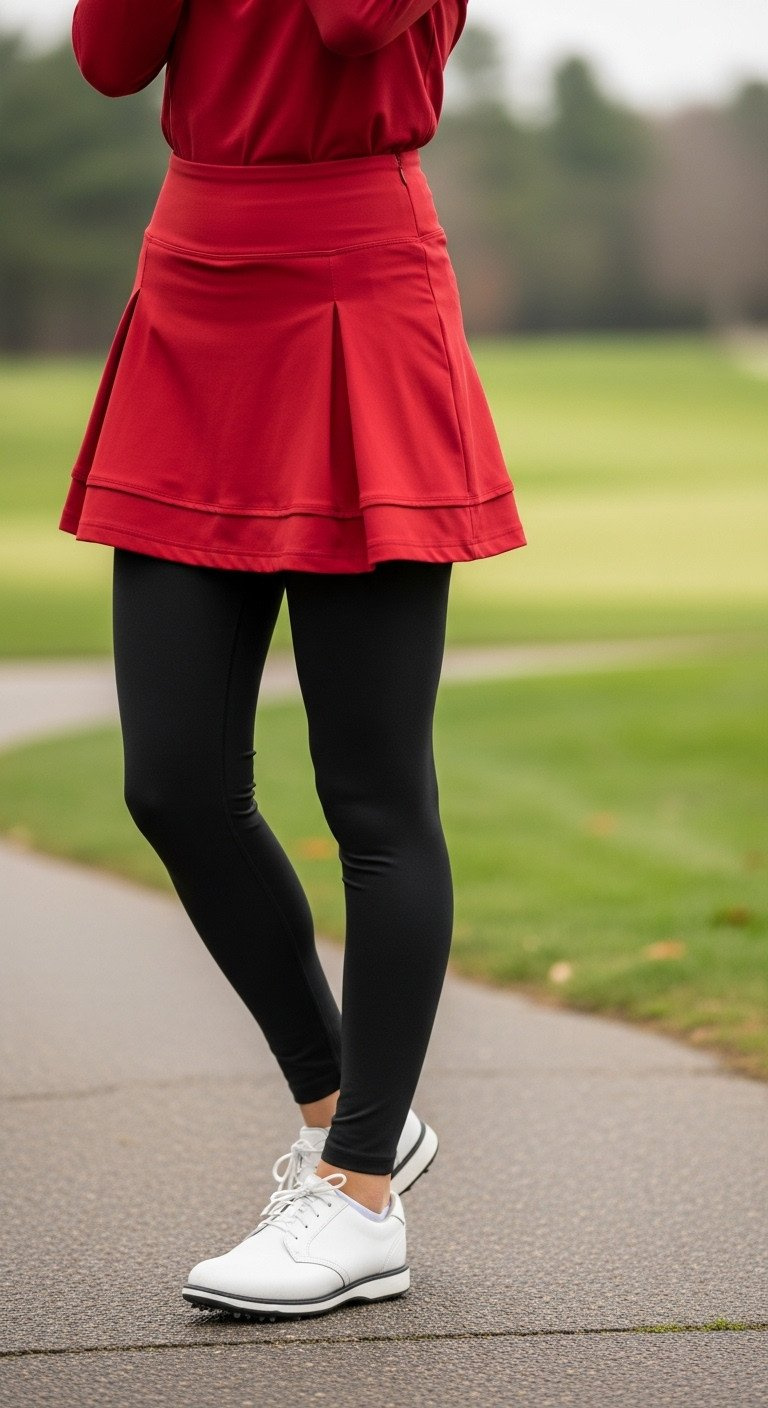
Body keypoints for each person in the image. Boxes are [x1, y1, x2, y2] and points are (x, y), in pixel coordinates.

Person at [59, 0, 527, 1322]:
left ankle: (361, 1196)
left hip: (356, 294)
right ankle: (347, 1110)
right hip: (193, 291)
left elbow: (351, 23)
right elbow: (108, 57)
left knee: (374, 794)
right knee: (175, 783)